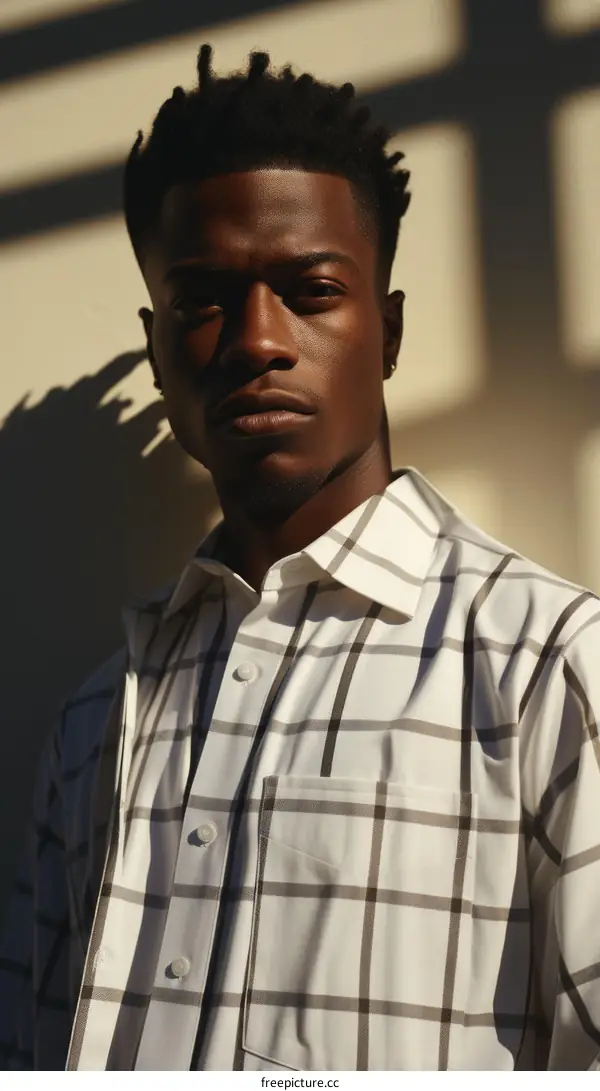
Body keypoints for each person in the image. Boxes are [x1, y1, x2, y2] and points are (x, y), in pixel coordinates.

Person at [1, 44, 600, 1073]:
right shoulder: (97, 720)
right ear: (157, 348)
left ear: (390, 329)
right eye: (203, 300)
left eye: (311, 289)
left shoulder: (551, 668)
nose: (256, 340)